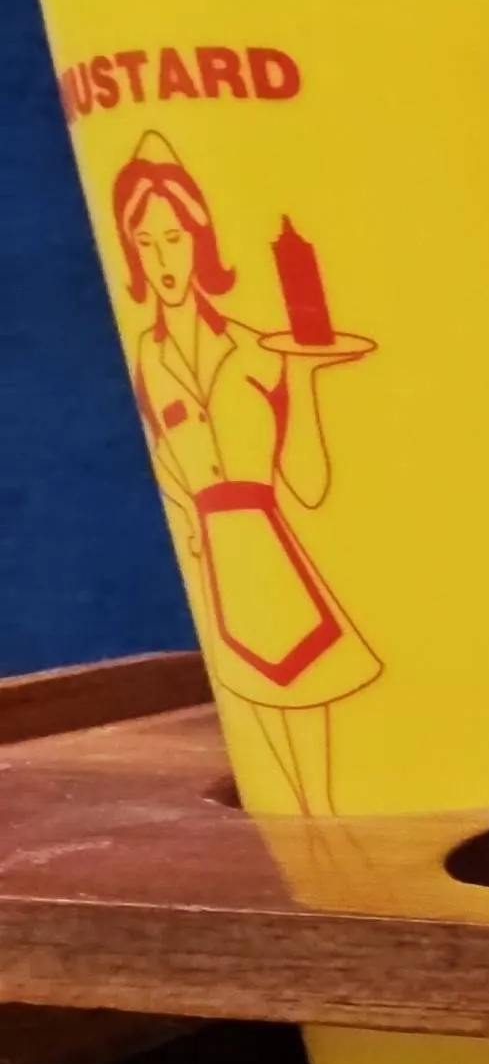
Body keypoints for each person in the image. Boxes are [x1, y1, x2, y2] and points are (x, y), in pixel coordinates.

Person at [113, 129, 379, 814]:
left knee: (321, 749)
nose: (163, 257)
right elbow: (169, 462)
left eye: (174, 237)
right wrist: (192, 525)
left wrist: (304, 379)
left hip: (276, 562)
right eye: (147, 241)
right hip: (222, 575)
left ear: (199, 240)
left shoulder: (259, 352)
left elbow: (308, 487)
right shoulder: (150, 358)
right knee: (270, 764)